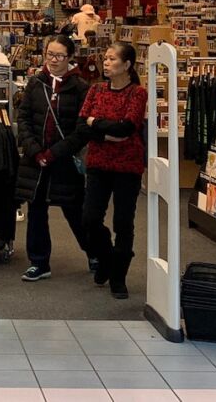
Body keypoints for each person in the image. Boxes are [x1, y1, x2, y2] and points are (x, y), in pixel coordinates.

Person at [13, 36, 94, 282]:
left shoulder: (81, 88)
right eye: (50, 54)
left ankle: (94, 252)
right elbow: (24, 117)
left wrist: (54, 152)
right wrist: (35, 150)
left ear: (70, 57)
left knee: (75, 209)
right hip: (35, 160)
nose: (53, 60)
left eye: (59, 56)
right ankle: (39, 262)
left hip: (64, 160)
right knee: (37, 210)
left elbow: (81, 131)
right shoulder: (36, 83)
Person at [74, 41, 149, 299]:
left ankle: (119, 276)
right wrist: (106, 133)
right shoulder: (95, 91)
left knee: (123, 223)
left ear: (127, 65)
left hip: (127, 166)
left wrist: (98, 124)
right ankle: (106, 259)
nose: (106, 63)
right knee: (90, 219)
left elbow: (126, 128)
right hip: (98, 163)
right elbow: (82, 126)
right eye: (105, 58)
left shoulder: (137, 93)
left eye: (112, 59)